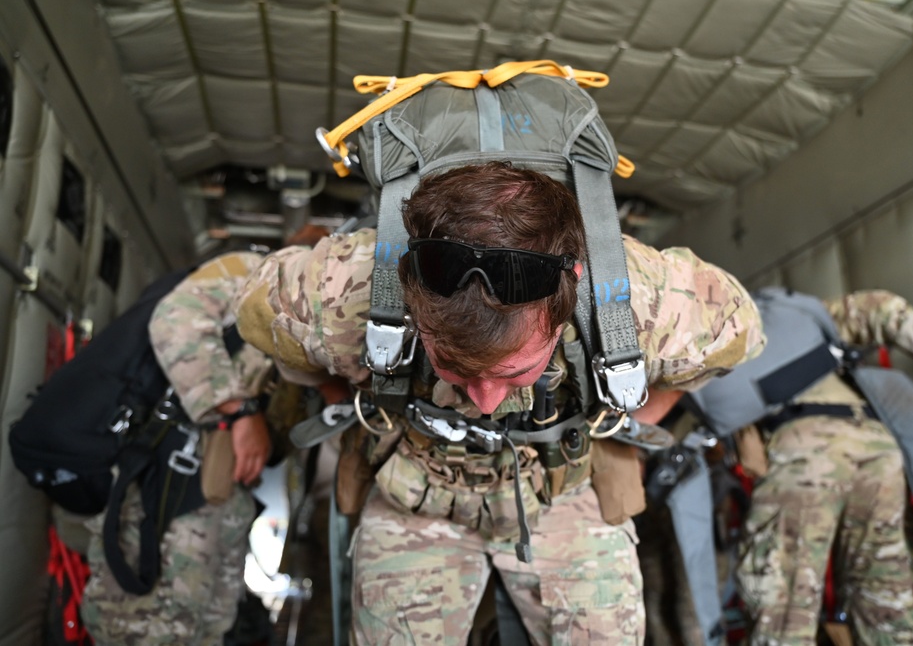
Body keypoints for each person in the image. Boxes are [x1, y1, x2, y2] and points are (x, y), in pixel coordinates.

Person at [236, 161, 765, 644]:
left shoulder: (643, 298)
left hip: (564, 495)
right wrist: (355, 398)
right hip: (415, 496)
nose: (486, 403)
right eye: (455, 368)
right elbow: (260, 318)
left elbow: (739, 335)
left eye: (514, 370)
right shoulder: (341, 290)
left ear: (570, 294)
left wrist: (622, 418)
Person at [696, 289, 913, 646]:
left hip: (802, 449)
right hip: (877, 445)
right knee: (886, 603)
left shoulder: (711, 329)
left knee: (783, 614)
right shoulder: (804, 311)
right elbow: (881, 309)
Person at [80, 250, 275, 645]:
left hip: (219, 492)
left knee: (203, 627)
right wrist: (241, 411)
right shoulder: (256, 273)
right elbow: (175, 320)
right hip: (171, 480)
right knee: (143, 626)